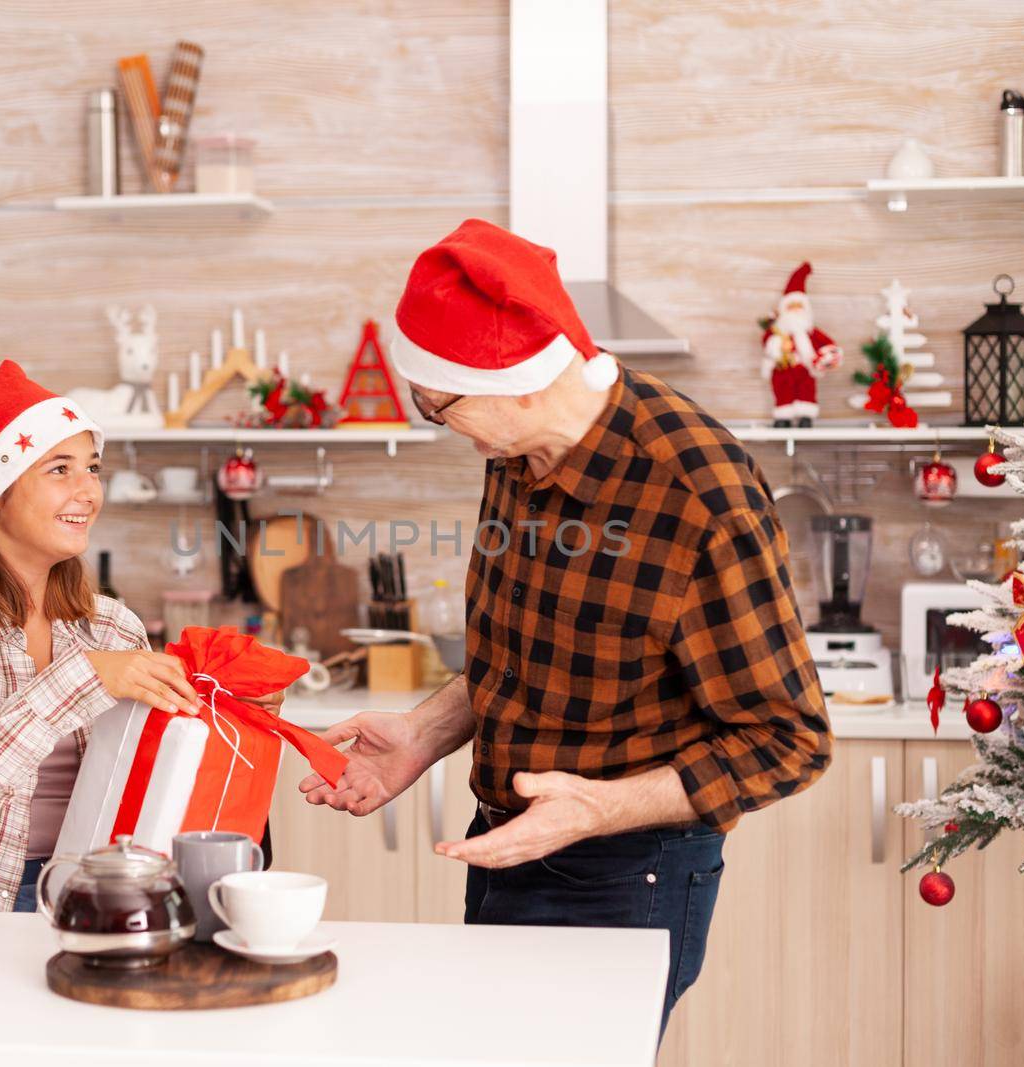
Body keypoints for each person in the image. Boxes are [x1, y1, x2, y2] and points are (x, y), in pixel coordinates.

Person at [300, 219, 832, 1029]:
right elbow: (530, 655)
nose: (440, 426)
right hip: (509, 847)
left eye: (440, 406)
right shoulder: (519, 454)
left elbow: (789, 741)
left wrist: (596, 809)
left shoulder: (698, 496)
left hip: (627, 873)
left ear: (517, 381)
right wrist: (423, 732)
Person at [0, 360, 280, 911]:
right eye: (60, 470)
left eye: (93, 468)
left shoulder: (113, 625)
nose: (88, 491)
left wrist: (228, 709)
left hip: (99, 897)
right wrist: (82, 677)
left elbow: (153, 766)